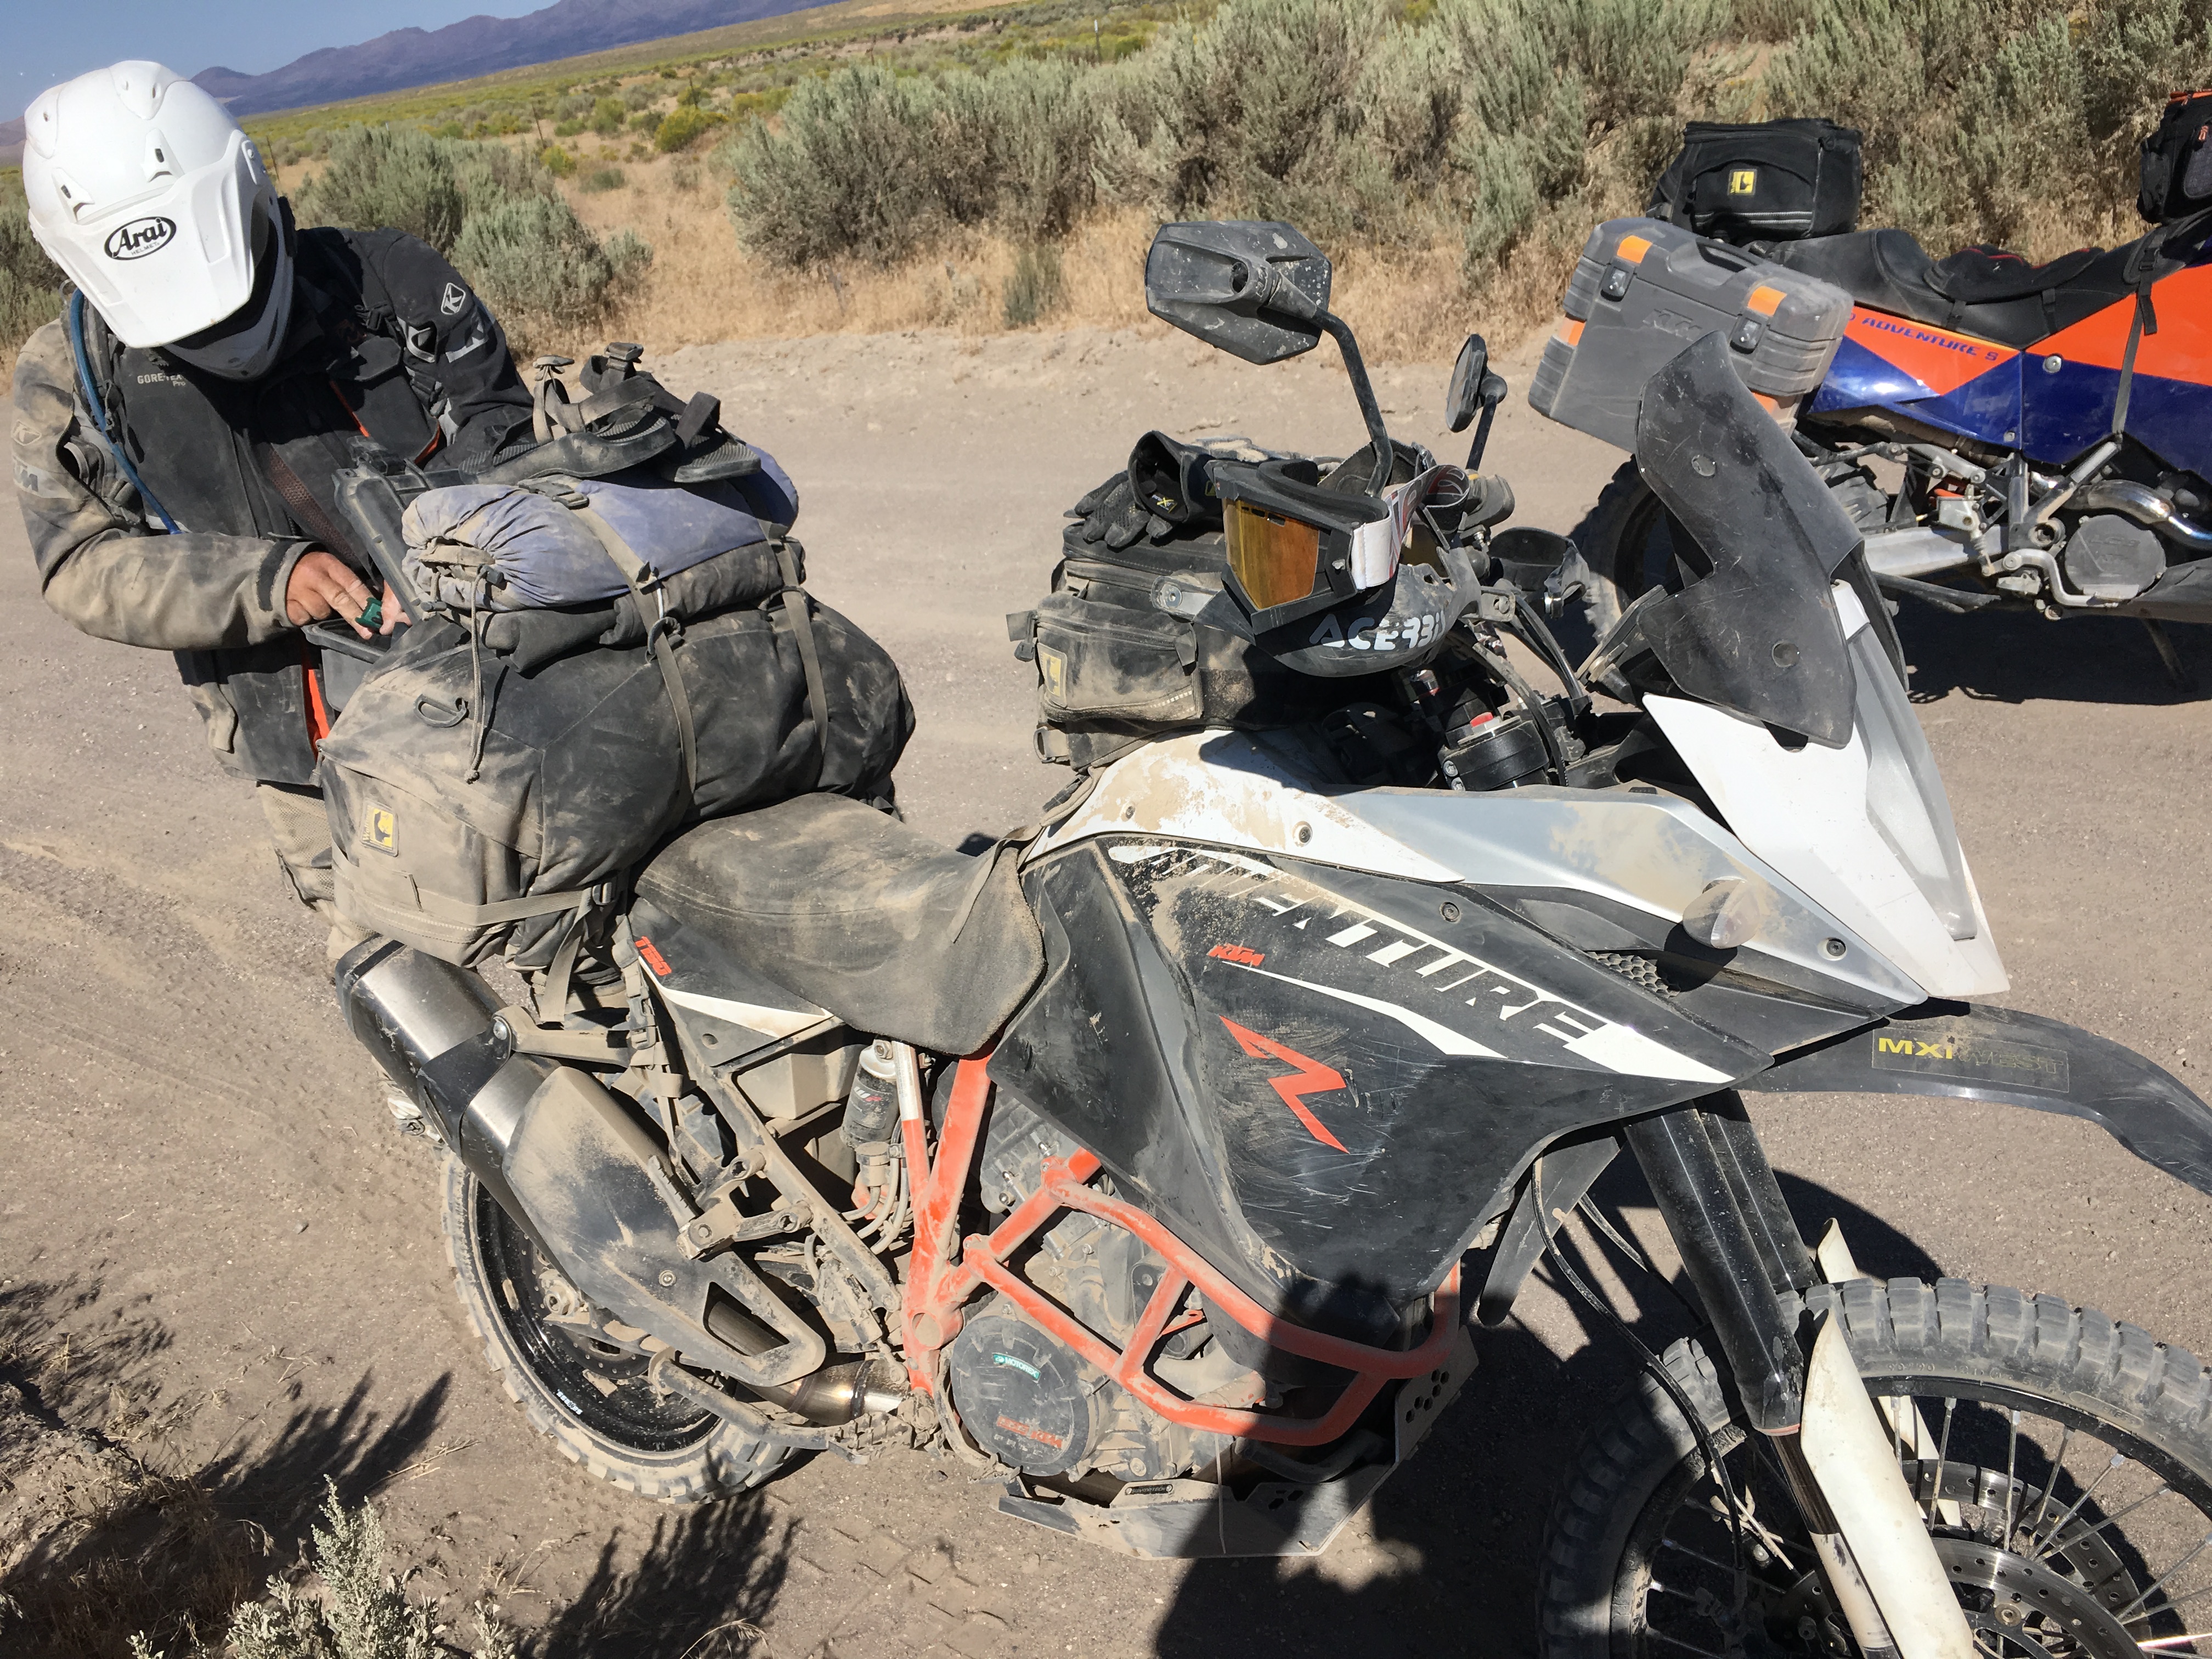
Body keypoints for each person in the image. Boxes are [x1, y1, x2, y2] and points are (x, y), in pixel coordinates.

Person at [9, 61, 535, 957]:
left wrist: (446, 555)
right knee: (389, 961)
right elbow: (81, 563)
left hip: (513, 687)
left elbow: (510, 443)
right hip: (308, 749)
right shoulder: (72, 373)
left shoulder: (387, 281)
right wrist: (269, 581)